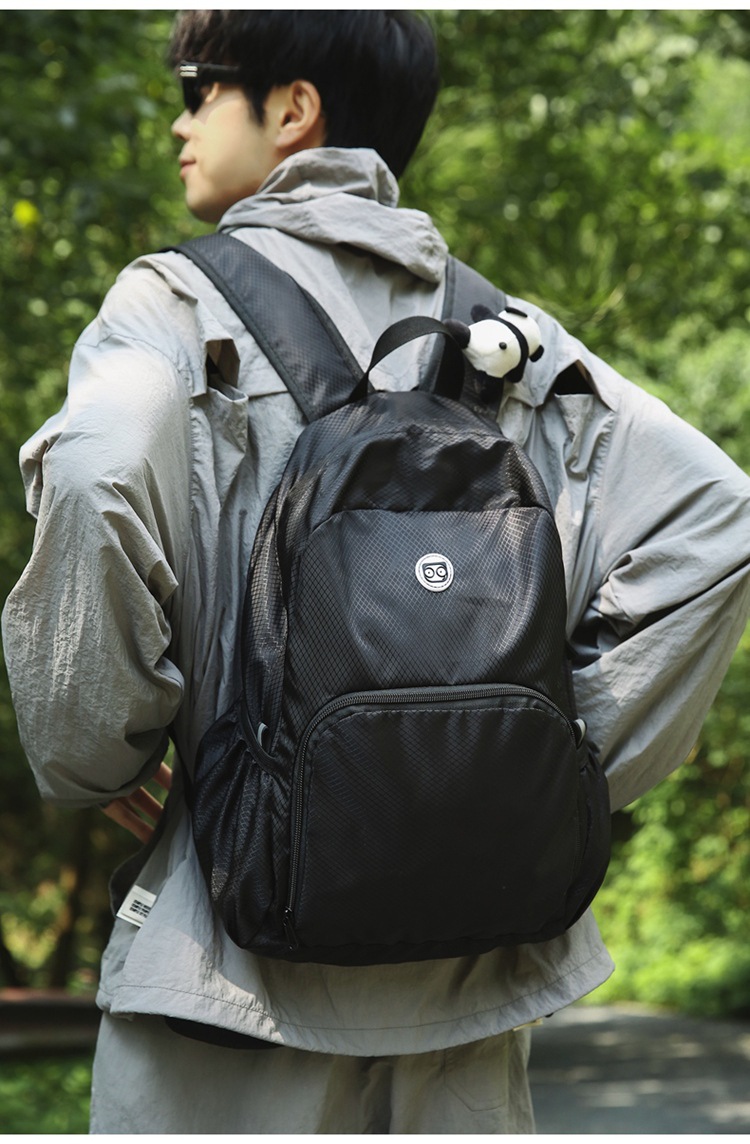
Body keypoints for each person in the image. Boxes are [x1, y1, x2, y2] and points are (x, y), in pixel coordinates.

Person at [3, 10, 750, 1135]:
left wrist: (98, 752)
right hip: (471, 988)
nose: (179, 122)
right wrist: (529, 768)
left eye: (200, 88)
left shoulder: (172, 307)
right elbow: (718, 522)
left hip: (231, 982)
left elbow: (97, 470)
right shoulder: (507, 334)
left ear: (293, 110)